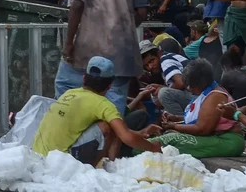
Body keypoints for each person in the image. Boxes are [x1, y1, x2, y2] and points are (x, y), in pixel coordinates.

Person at [33, 56, 161, 164]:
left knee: (110, 124)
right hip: (61, 162)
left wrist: (141, 133)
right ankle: (105, 166)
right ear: (110, 85)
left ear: (84, 78)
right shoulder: (103, 104)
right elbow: (126, 136)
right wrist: (152, 147)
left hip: (40, 156)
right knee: (108, 126)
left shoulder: (68, 94)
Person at [146, 58, 244, 158]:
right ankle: (137, 144)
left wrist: (173, 126)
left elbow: (202, 129)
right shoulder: (204, 93)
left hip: (227, 141)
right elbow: (199, 119)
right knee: (168, 138)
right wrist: (175, 118)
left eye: (190, 86)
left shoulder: (215, 96)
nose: (188, 89)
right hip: (216, 138)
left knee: (171, 140)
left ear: (200, 84)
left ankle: (136, 146)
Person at [140, 40, 193, 115]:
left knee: (163, 94)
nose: (150, 67)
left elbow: (180, 83)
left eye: (152, 61)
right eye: (146, 65)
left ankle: (180, 122)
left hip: (200, 96)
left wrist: (161, 89)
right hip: (195, 95)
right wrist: (161, 87)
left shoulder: (165, 60)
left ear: (159, 54)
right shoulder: (165, 62)